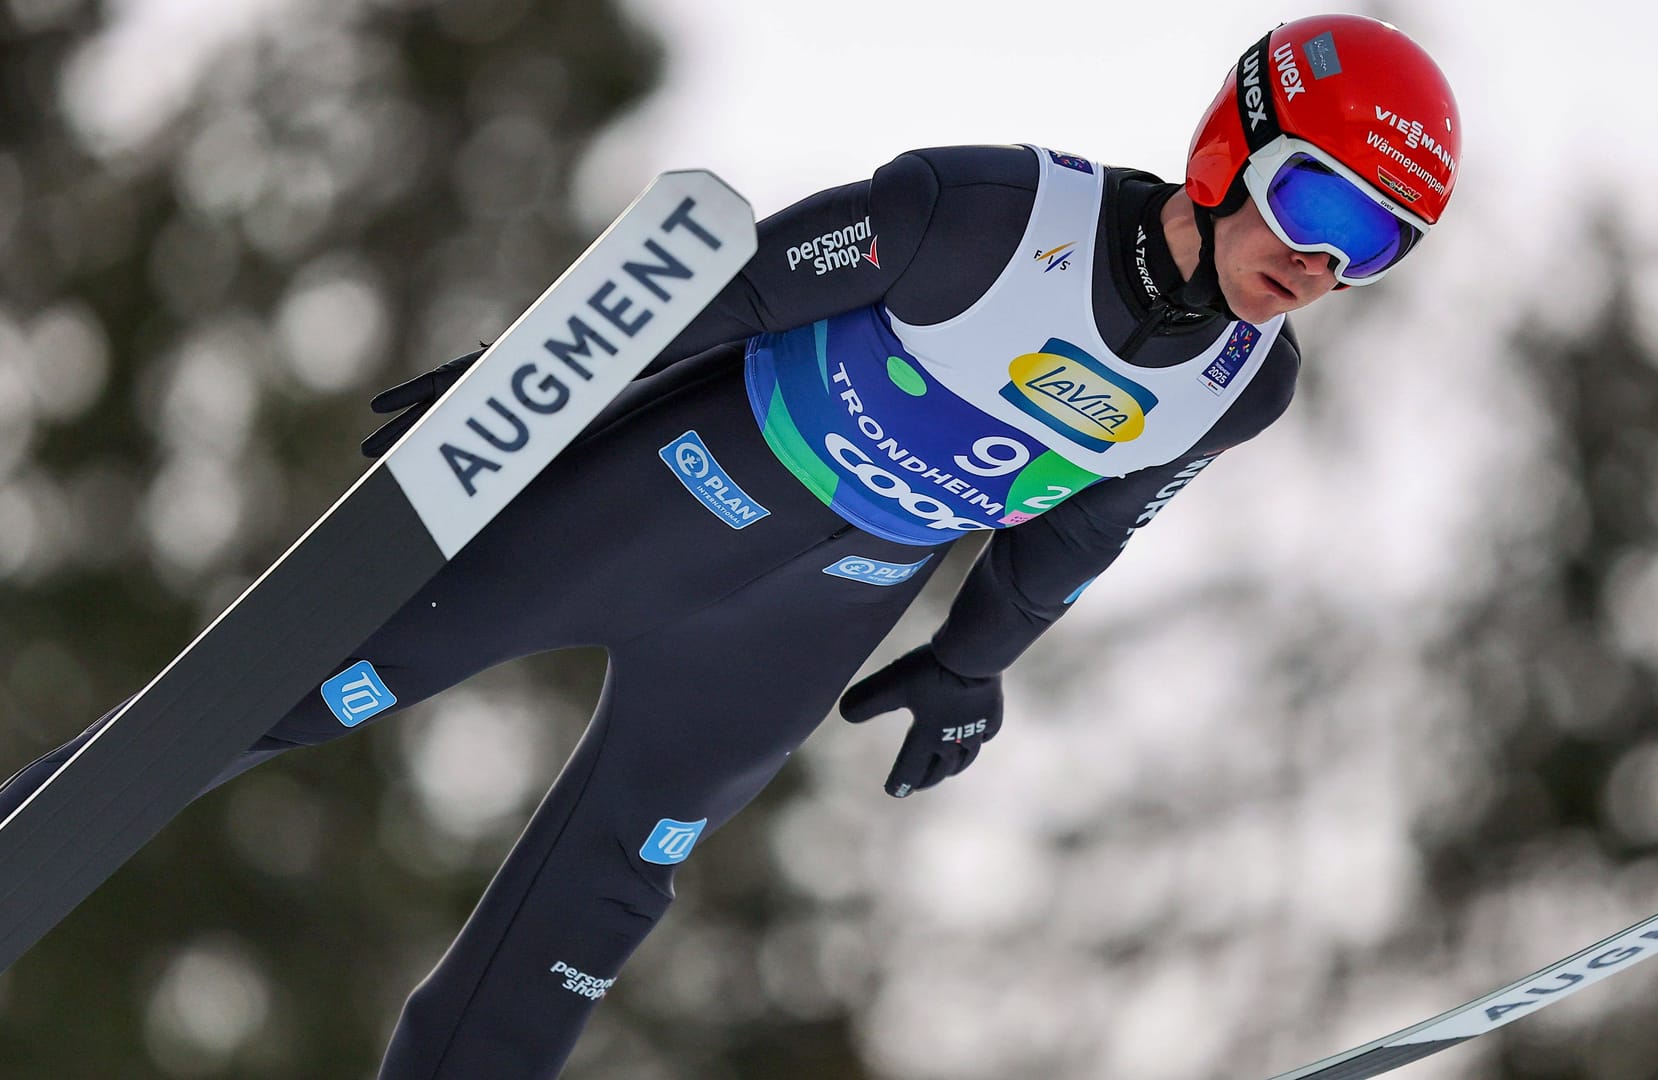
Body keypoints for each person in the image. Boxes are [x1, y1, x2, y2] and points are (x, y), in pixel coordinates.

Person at [0, 13, 1459, 1078]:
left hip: (808, 613)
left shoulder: (1236, 389)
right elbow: (733, 288)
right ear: (1231, 147)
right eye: (1318, 202)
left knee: (604, 896)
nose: (1323, 262)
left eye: (1376, 244)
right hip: (664, 496)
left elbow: (1084, 531)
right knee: (287, 695)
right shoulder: (989, 219)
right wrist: (521, 383)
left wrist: (971, 664)